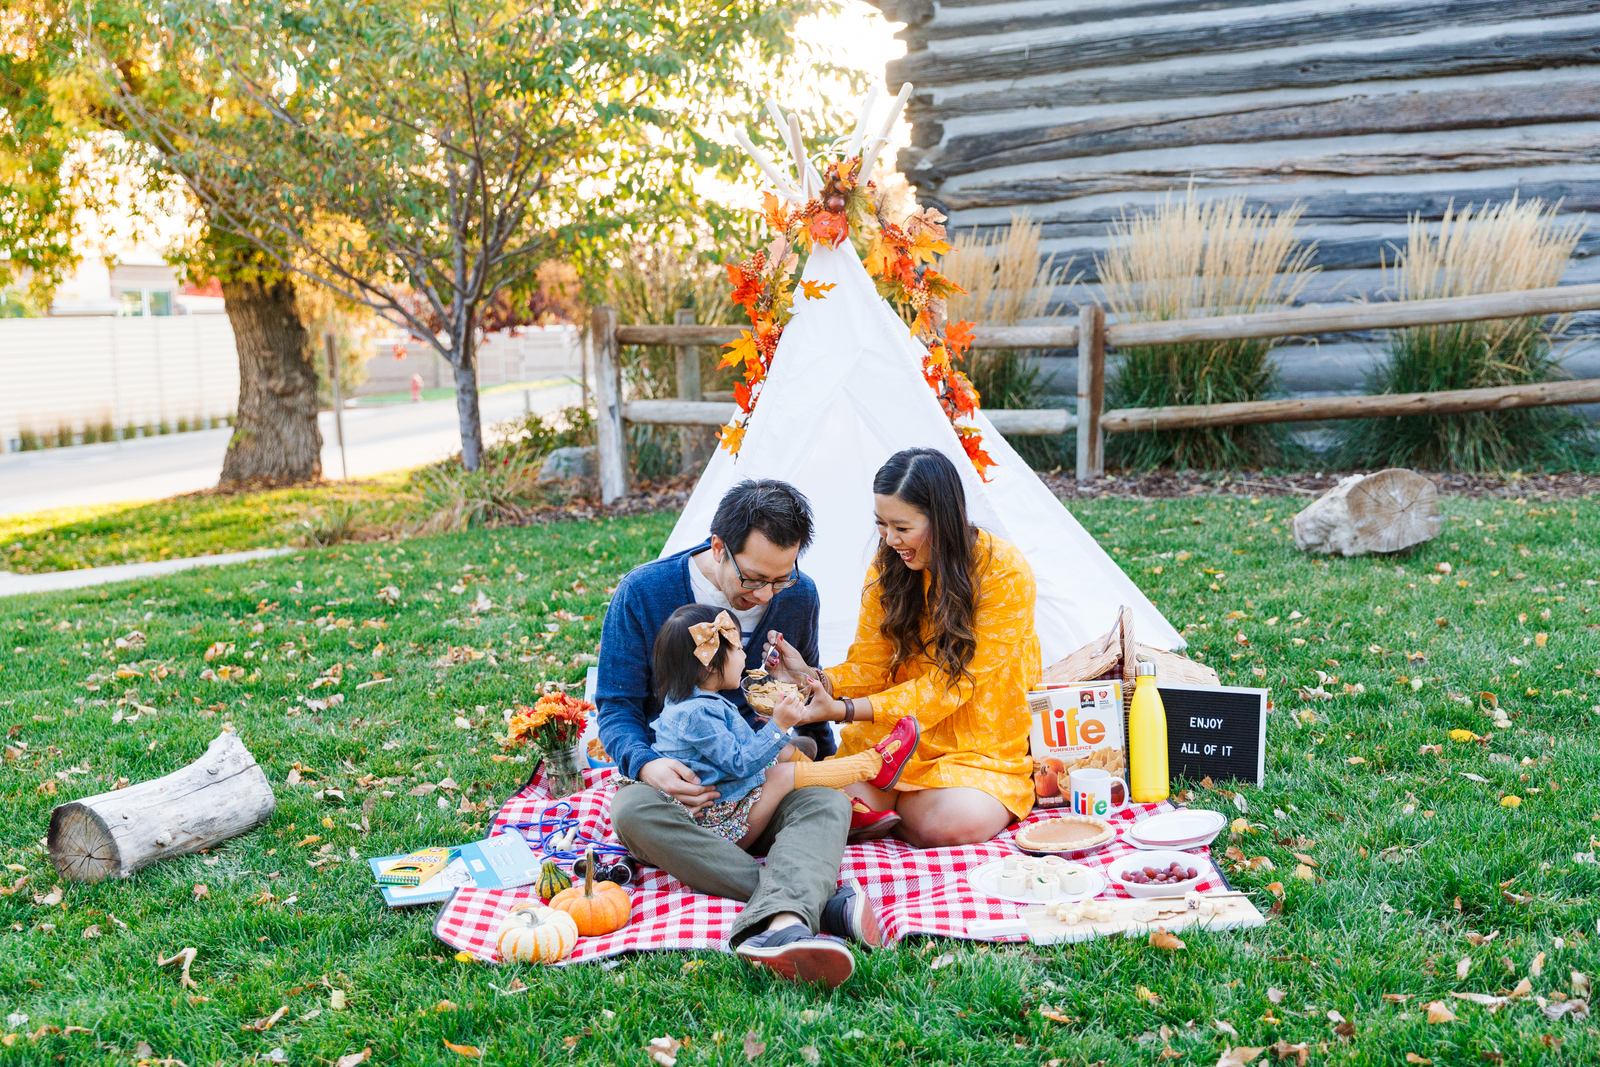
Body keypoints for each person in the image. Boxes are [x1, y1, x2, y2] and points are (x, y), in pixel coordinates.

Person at [596, 479, 875, 989]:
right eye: (753, 578)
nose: (766, 594)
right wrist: (645, 764)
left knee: (825, 803)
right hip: (686, 798)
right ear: (719, 547)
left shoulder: (800, 596)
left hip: (756, 785)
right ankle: (808, 904)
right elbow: (615, 708)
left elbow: (802, 704)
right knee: (629, 810)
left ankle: (784, 923)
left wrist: (811, 729)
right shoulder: (645, 591)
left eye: (780, 580)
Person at [765, 447, 1040, 849]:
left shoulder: (1005, 572)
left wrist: (842, 710)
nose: (890, 540)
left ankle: (889, 813)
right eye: (881, 524)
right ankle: (886, 810)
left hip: (974, 745)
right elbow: (870, 665)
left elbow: (952, 686)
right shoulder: (890, 566)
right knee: (826, 798)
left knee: (942, 822)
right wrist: (813, 679)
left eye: (902, 527)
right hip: (894, 740)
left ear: (942, 520)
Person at [649, 606, 920, 847]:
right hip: (720, 824)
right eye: (738, 648)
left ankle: (850, 808)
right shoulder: (697, 713)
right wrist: (778, 726)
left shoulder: (693, 701)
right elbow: (740, 764)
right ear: (708, 667)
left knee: (786, 751)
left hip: (728, 796)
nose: (745, 654)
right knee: (783, 773)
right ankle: (873, 764)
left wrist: (773, 728)